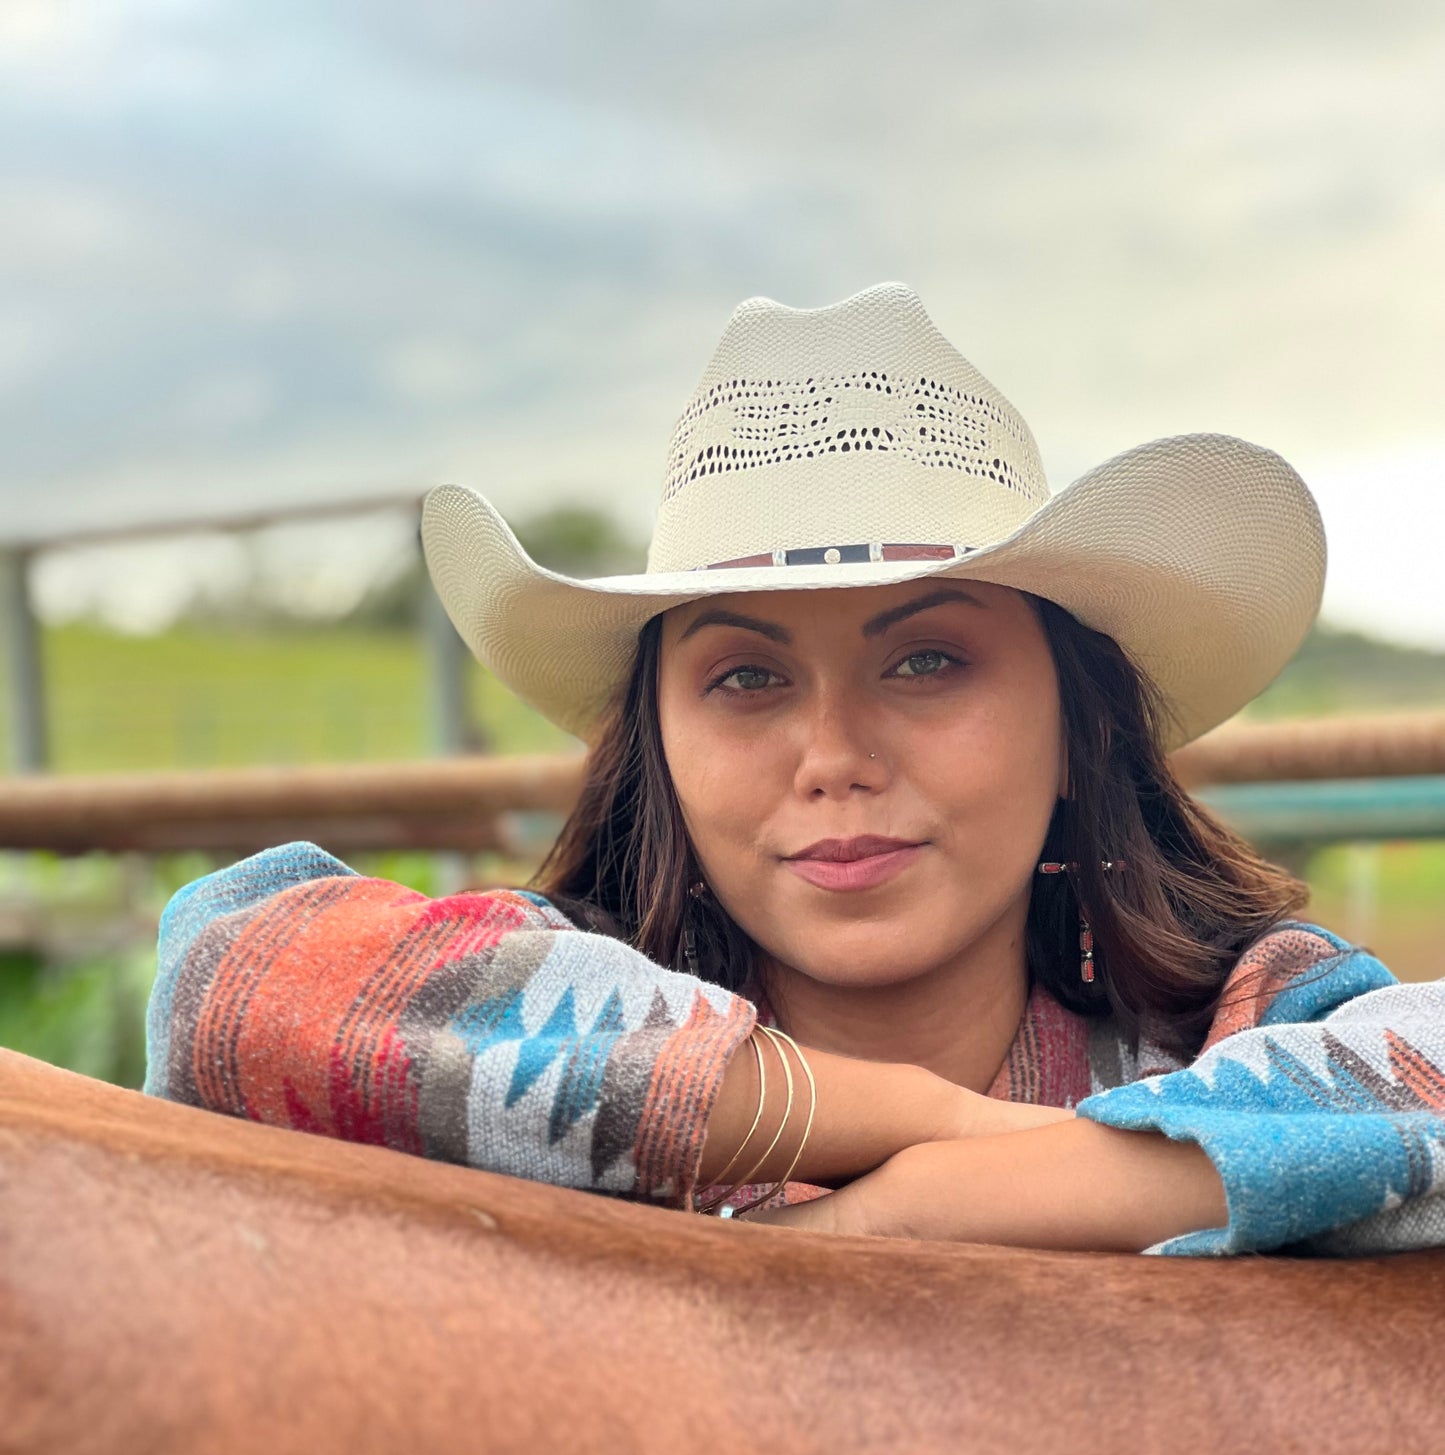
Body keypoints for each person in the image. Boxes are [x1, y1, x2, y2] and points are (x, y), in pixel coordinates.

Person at [146, 284, 1445, 1255]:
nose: (833, 757)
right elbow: (228, 976)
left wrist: (962, 1199)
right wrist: (917, 1120)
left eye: (927, 661)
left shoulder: (1229, 1019)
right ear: (655, 744)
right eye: (746, 678)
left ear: (1079, 729)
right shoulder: (548, 1000)